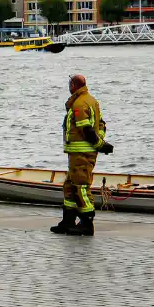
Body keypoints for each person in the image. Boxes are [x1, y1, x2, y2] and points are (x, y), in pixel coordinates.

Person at [52, 74, 113, 236]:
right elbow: (100, 124)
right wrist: (100, 142)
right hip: (78, 153)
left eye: (69, 83)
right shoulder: (91, 101)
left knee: (81, 187)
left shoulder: (80, 103)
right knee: (70, 185)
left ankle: (86, 222)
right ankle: (68, 221)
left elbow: (86, 129)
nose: (68, 86)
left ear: (73, 85)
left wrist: (99, 145)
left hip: (82, 153)